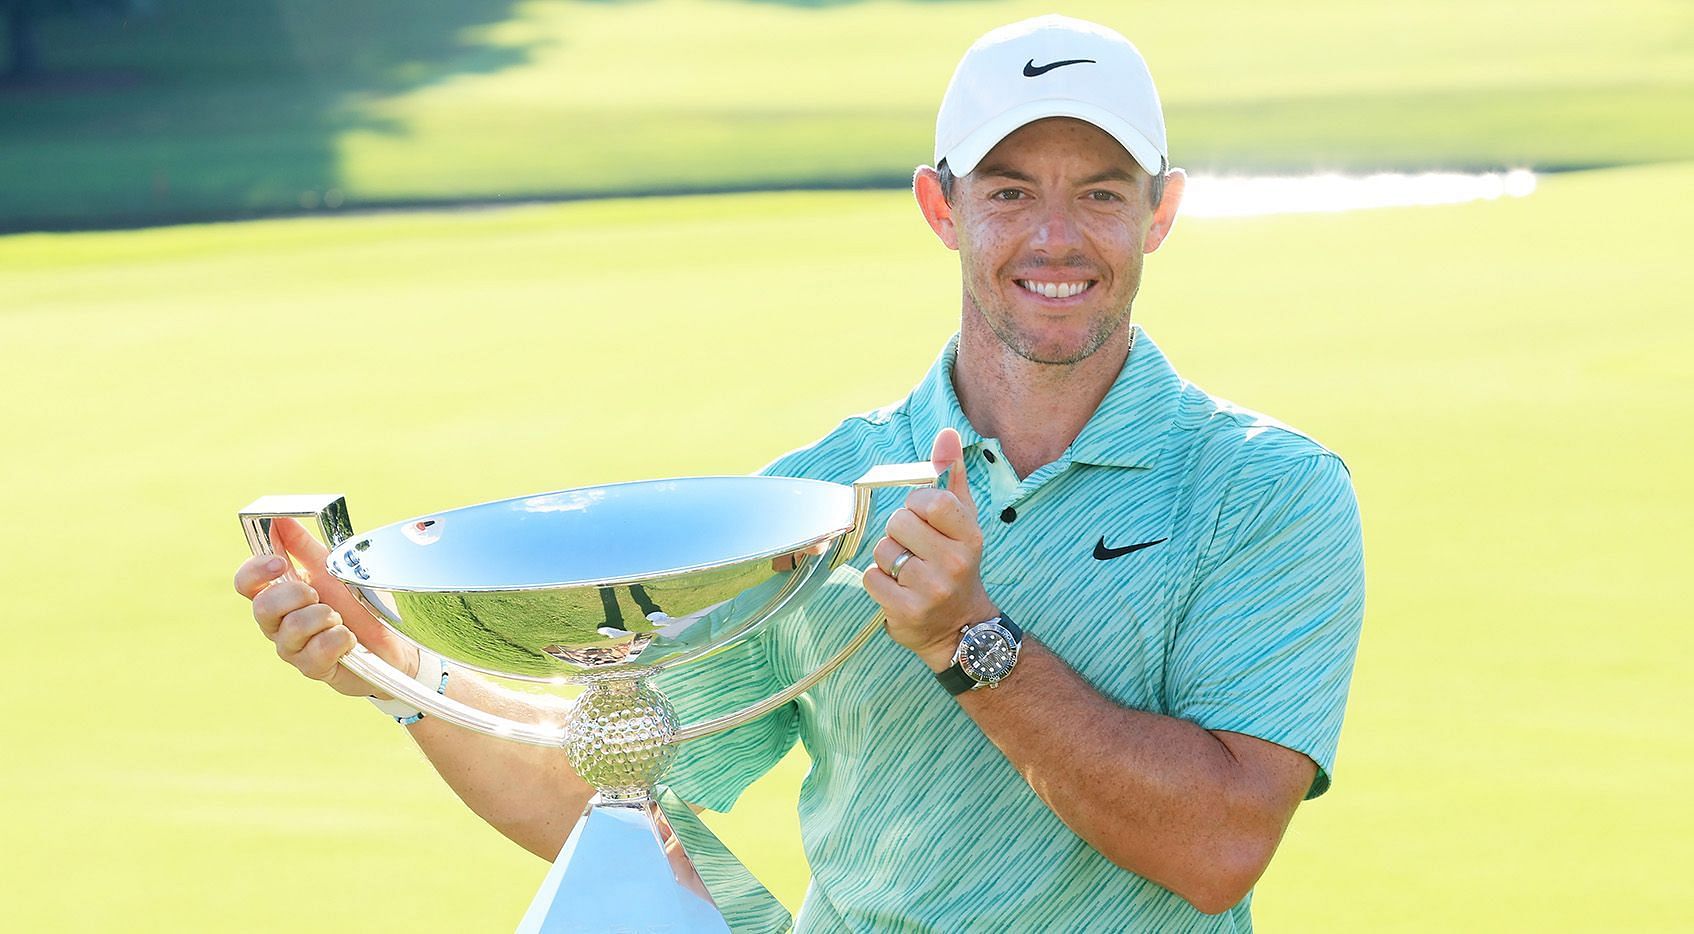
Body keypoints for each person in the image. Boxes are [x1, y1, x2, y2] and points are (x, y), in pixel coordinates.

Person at [234, 14, 1365, 931]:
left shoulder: (1266, 491)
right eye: (1010, 190)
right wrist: (390, 669)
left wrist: (969, 640)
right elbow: (607, 784)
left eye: (1102, 191)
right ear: (941, 207)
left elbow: (1216, 847)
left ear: (1160, 211)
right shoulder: (817, 499)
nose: (1055, 237)